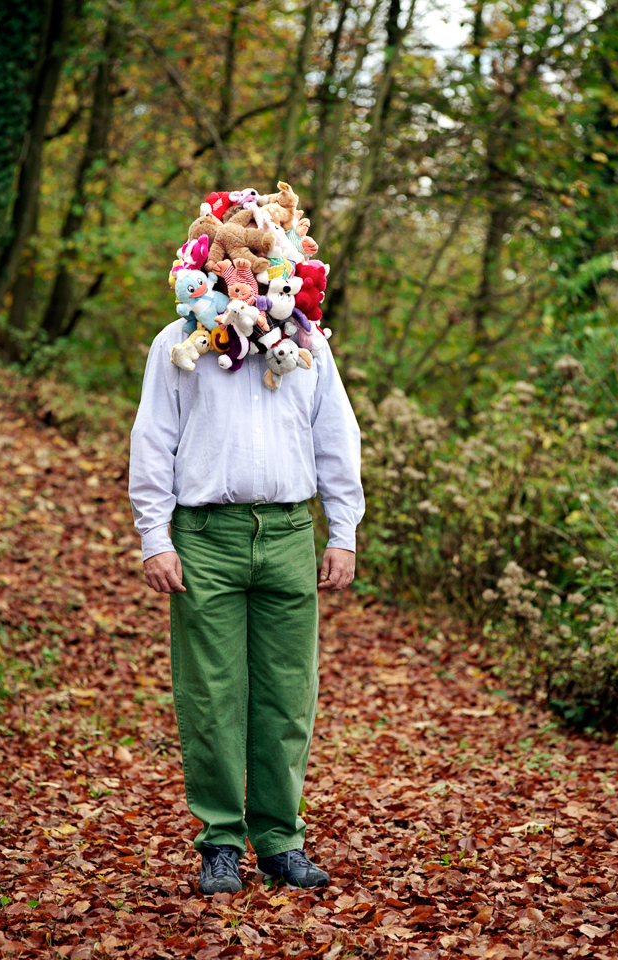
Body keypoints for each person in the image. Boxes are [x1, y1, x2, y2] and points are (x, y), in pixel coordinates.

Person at [129, 316, 364, 895]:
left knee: (288, 694)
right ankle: (220, 844)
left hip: (288, 532)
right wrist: (155, 536)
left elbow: (334, 434)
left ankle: (281, 842)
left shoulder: (307, 340)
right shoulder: (179, 342)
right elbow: (154, 436)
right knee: (211, 693)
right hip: (205, 535)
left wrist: (343, 531)